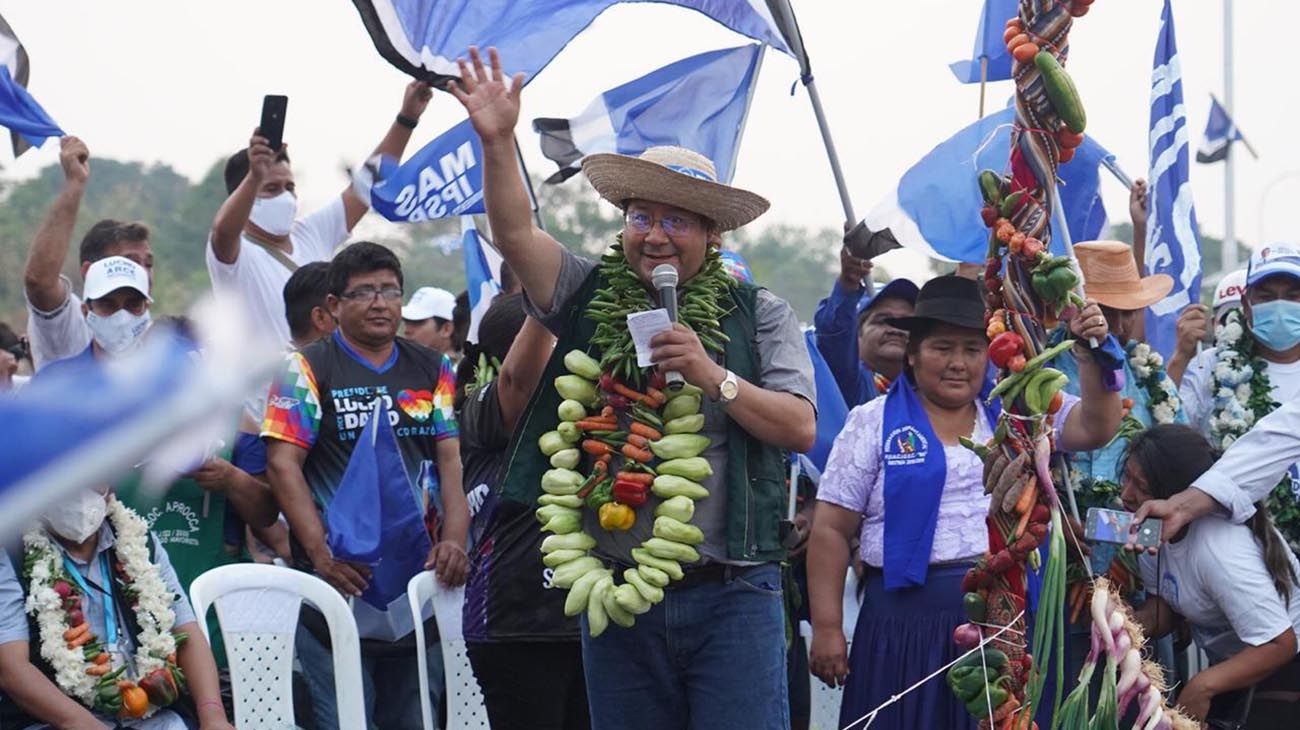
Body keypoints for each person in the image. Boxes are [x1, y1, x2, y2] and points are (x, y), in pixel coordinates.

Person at [452, 47, 816, 730]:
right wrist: (497, 140)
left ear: (710, 233)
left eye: (677, 220)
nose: (655, 236)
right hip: (620, 592)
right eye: (641, 217)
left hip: (733, 593)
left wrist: (713, 376)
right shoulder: (588, 294)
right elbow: (514, 232)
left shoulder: (759, 314)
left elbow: (799, 428)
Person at [806, 275, 1120, 729]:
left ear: (989, 356)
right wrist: (829, 628)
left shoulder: (1019, 412)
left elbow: (1096, 427)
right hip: (901, 625)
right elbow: (832, 529)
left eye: (972, 349)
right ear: (912, 354)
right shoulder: (871, 423)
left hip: (1004, 617)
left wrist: (1092, 352)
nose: (958, 363)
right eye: (942, 347)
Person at [261, 241, 470, 729]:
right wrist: (321, 554)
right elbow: (282, 465)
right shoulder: (304, 367)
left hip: (417, 586)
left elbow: (451, 460)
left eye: (390, 290)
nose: (380, 303)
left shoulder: (433, 368)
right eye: (364, 292)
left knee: (416, 719)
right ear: (333, 306)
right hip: (336, 586)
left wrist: (456, 541)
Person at [206, 81, 433, 346]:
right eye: (271, 188)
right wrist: (256, 175)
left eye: (289, 187)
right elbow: (222, 231)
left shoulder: (309, 233)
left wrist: (407, 118)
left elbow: (365, 187)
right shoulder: (235, 256)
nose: (285, 196)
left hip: (320, 379)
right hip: (263, 387)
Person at [456, 294, 590, 730]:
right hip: (516, 624)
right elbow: (520, 381)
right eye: (560, 344)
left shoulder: (585, 412)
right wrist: (548, 292)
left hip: (590, 624)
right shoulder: (483, 406)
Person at [0, 487, 234, 730]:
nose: (81, 491)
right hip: (59, 722)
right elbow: (13, 668)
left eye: (93, 478)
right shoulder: (13, 553)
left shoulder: (139, 541)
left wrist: (213, 716)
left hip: (152, 717)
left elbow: (186, 632)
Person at [1121, 425, 1300, 727]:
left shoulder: (1218, 549)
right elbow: (1166, 603)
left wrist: (1202, 686)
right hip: (1240, 667)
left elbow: (1280, 644)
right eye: (1126, 477)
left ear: (1177, 493)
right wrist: (1128, 624)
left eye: (1142, 487)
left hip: (1284, 661)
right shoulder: (1154, 529)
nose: (1126, 494)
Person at [1169, 246, 1300, 548]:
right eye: (1267, 297)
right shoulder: (1211, 366)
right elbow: (1172, 435)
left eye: (1293, 297)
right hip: (1234, 546)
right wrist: (1179, 359)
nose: (1280, 307)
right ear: (1246, 304)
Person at [1047, 241, 1181, 492]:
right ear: (1073, 309)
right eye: (1108, 312)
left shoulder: (1151, 375)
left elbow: (1176, 456)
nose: (1119, 327)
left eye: (1129, 312)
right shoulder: (1042, 371)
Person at [23, 136, 155, 370]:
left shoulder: (159, 347)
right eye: (129, 262)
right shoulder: (71, 320)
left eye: (147, 263)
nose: (142, 272)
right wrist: (74, 184)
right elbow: (39, 282)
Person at [813, 247, 918, 406]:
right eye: (883, 320)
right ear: (856, 334)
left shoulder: (935, 391)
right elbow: (835, 334)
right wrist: (848, 283)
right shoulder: (849, 381)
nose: (896, 330)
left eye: (906, 323)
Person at [402, 286, 458, 355]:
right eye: (406, 322)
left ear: (446, 329)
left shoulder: (468, 364)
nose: (407, 331)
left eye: (417, 322)